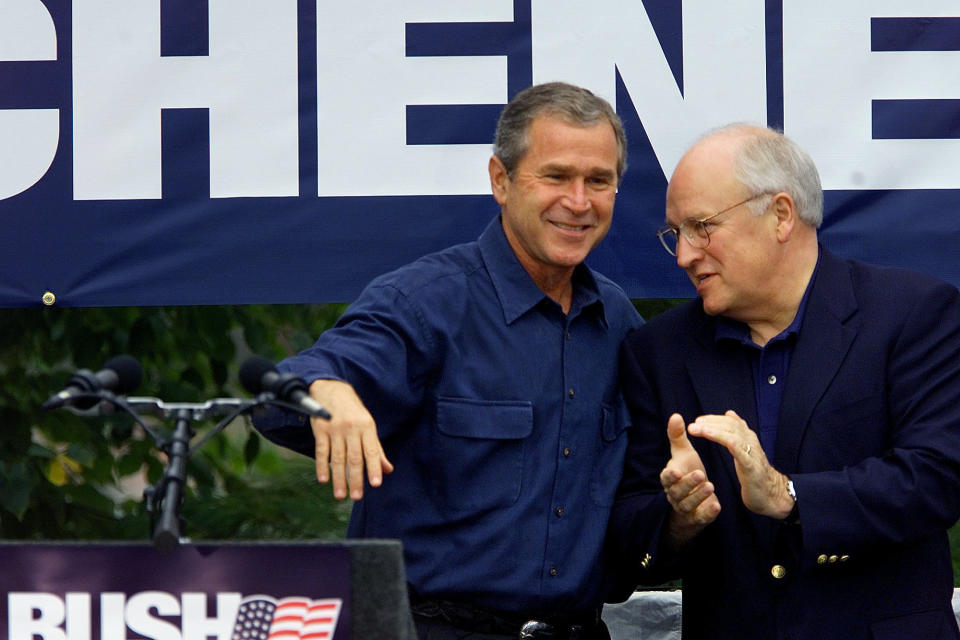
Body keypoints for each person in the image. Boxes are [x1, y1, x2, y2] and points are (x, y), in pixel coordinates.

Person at [254, 81, 643, 640]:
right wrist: (327, 391)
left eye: (598, 181)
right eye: (555, 176)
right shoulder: (425, 303)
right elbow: (281, 393)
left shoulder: (618, 322)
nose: (578, 202)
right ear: (500, 181)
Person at [609, 123, 960, 639]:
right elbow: (626, 534)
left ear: (780, 215)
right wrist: (680, 517)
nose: (684, 255)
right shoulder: (658, 352)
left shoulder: (912, 314)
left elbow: (938, 477)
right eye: (675, 234)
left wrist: (790, 496)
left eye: (701, 226)